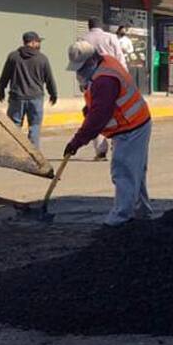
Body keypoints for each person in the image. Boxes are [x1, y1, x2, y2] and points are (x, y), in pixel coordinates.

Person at [64, 40, 154, 226]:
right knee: (135, 171)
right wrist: (89, 109)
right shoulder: (105, 62)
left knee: (123, 171)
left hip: (131, 128)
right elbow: (99, 106)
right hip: (135, 123)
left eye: (81, 68)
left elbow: (98, 117)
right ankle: (142, 213)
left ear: (91, 62)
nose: (79, 73)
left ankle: (120, 219)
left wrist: (76, 142)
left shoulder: (104, 80)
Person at [0, 31, 58, 148]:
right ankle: (33, 154)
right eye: (38, 41)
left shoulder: (13, 57)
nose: (39, 44)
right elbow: (49, 78)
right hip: (36, 98)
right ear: (33, 42)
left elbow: (5, 76)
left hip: (17, 98)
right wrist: (53, 94)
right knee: (34, 126)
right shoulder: (42, 58)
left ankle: (15, 152)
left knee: (14, 126)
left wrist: (0, 91)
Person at [80, 18, 124, 160]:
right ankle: (117, 146)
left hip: (92, 83)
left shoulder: (82, 40)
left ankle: (100, 151)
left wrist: (83, 83)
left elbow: (79, 64)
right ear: (102, 26)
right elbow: (120, 58)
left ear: (89, 26)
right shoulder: (111, 38)